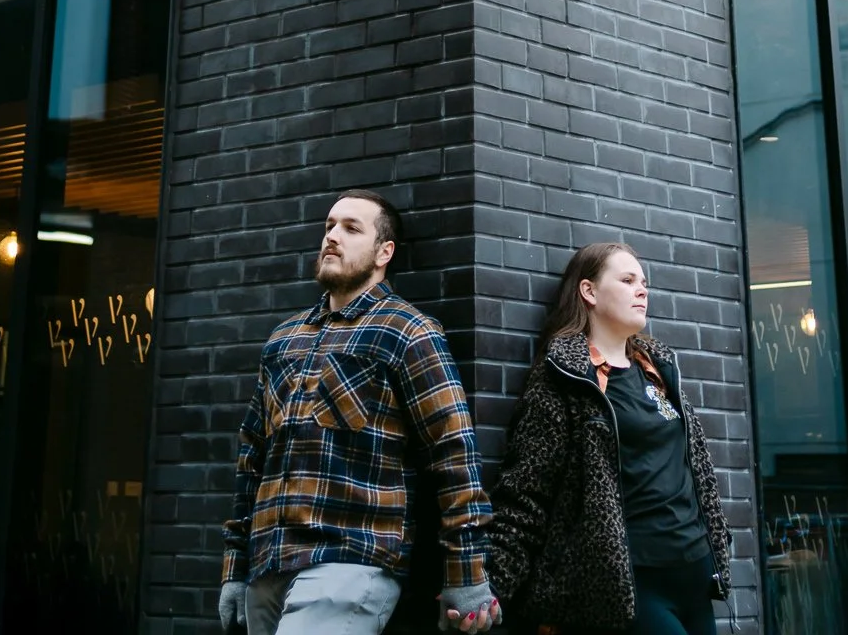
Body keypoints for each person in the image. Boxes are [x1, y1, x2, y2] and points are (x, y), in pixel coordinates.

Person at [220, 190, 502, 635]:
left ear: (384, 252)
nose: (332, 237)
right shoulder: (283, 339)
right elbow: (251, 459)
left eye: (351, 228)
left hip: (350, 560)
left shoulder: (407, 332)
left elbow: (454, 457)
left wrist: (466, 575)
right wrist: (235, 567)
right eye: (329, 226)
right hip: (269, 564)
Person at [488, 242, 732, 635]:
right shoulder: (565, 379)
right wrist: (492, 583)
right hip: (630, 582)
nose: (642, 290)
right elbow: (525, 491)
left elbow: (694, 467)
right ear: (589, 291)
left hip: (695, 571)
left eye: (644, 282)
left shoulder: (658, 369)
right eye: (628, 279)